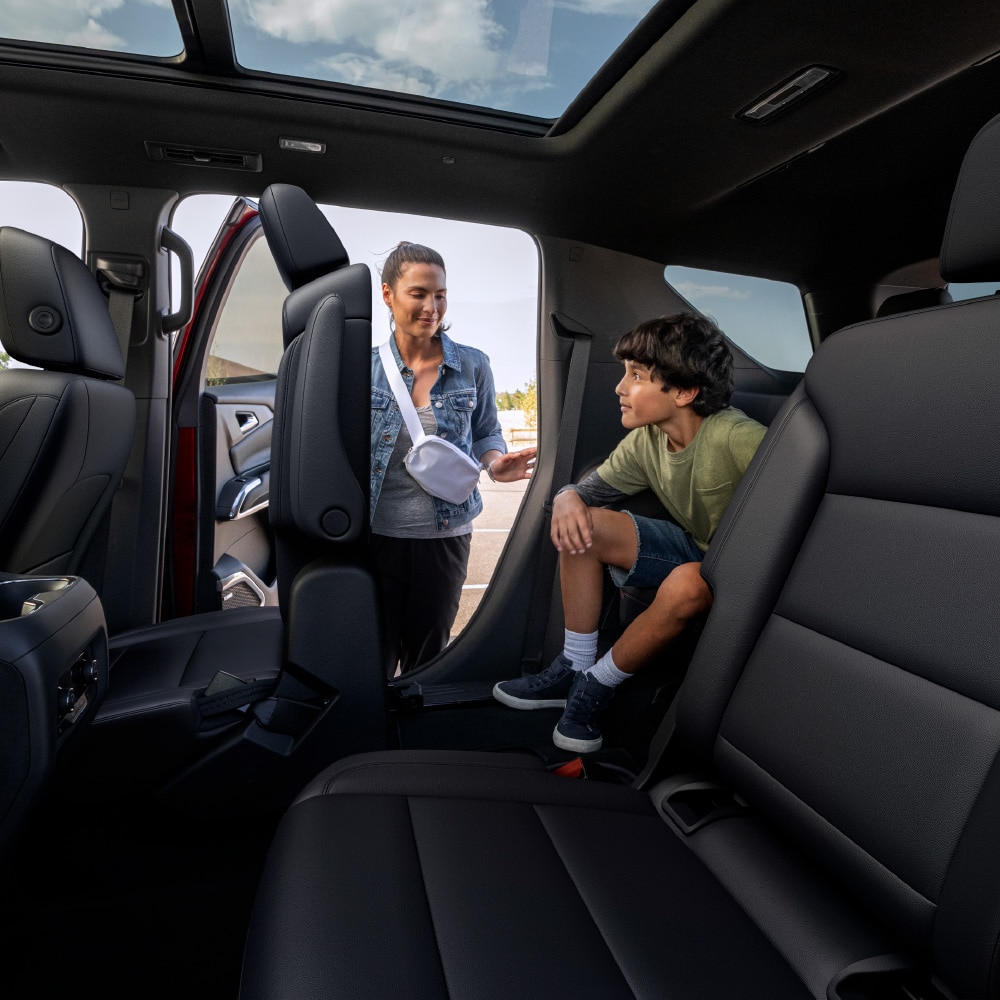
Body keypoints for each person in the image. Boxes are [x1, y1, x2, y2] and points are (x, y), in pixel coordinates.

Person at [493, 312, 766, 752]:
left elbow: (801, 498)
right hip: (696, 549)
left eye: (636, 376)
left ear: (684, 391)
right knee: (584, 524)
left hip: (743, 572)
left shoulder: (736, 437)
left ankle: (597, 684)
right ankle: (574, 666)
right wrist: (566, 497)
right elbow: (585, 494)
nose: (620, 388)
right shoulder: (645, 441)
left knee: (688, 582)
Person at [372, 241, 536, 677]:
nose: (432, 307)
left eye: (440, 295)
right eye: (418, 294)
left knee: (427, 660)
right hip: (375, 536)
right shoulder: (363, 368)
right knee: (371, 656)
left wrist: (495, 463)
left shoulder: (473, 365)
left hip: (445, 537)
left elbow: (486, 431)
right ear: (388, 294)